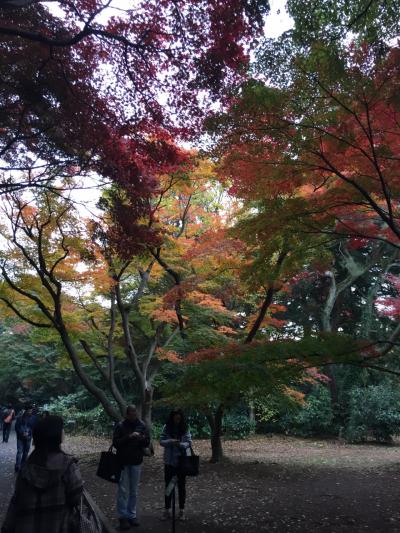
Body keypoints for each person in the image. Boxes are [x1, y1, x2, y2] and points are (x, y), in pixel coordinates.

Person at [1, 415, 83, 533]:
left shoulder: (27, 466)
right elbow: (75, 497)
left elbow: (17, 500)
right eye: (62, 429)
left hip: (26, 526)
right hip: (57, 526)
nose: (63, 432)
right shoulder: (67, 466)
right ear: (56, 435)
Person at [113, 405, 149, 531]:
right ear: (127, 414)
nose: (134, 416)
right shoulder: (120, 425)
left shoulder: (142, 425)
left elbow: (147, 442)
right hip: (122, 462)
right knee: (123, 490)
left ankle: (131, 515)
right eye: (132, 414)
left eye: (135, 413)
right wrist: (129, 437)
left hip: (136, 461)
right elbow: (115, 443)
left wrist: (141, 438)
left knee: (134, 490)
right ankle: (122, 517)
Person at [160, 409, 192, 522]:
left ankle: (182, 510)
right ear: (172, 417)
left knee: (181, 487)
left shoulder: (185, 428)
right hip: (169, 462)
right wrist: (170, 442)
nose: (177, 420)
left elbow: (189, 443)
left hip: (181, 462)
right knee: (168, 487)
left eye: (179, 418)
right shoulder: (166, 427)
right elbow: (161, 441)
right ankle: (167, 510)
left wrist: (180, 444)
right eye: (175, 418)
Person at [14, 404, 36, 472]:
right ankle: (17, 466)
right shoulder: (20, 418)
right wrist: (22, 433)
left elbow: (35, 428)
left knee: (26, 452)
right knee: (19, 451)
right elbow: (16, 427)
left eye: (31, 411)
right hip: (20, 438)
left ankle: (23, 465)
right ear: (25, 411)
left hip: (28, 437)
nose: (30, 412)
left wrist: (30, 435)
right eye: (29, 411)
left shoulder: (34, 418)